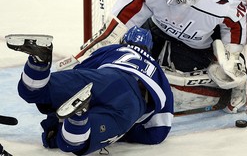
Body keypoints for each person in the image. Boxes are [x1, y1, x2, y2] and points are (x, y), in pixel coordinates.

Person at [111, 0, 247, 113]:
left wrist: (231, 59)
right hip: (156, 31)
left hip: (194, 47)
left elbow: (237, 25)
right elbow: (124, 17)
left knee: (177, 93)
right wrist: (111, 39)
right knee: (125, 64)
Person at [6, 26, 174, 155]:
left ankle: (39, 60)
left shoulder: (113, 50)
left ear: (123, 41)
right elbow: (158, 132)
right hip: (131, 103)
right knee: (72, 143)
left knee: (34, 91)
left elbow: (79, 72)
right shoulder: (158, 72)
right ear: (149, 50)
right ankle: (80, 114)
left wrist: (52, 117)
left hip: (103, 77)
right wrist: (126, 131)